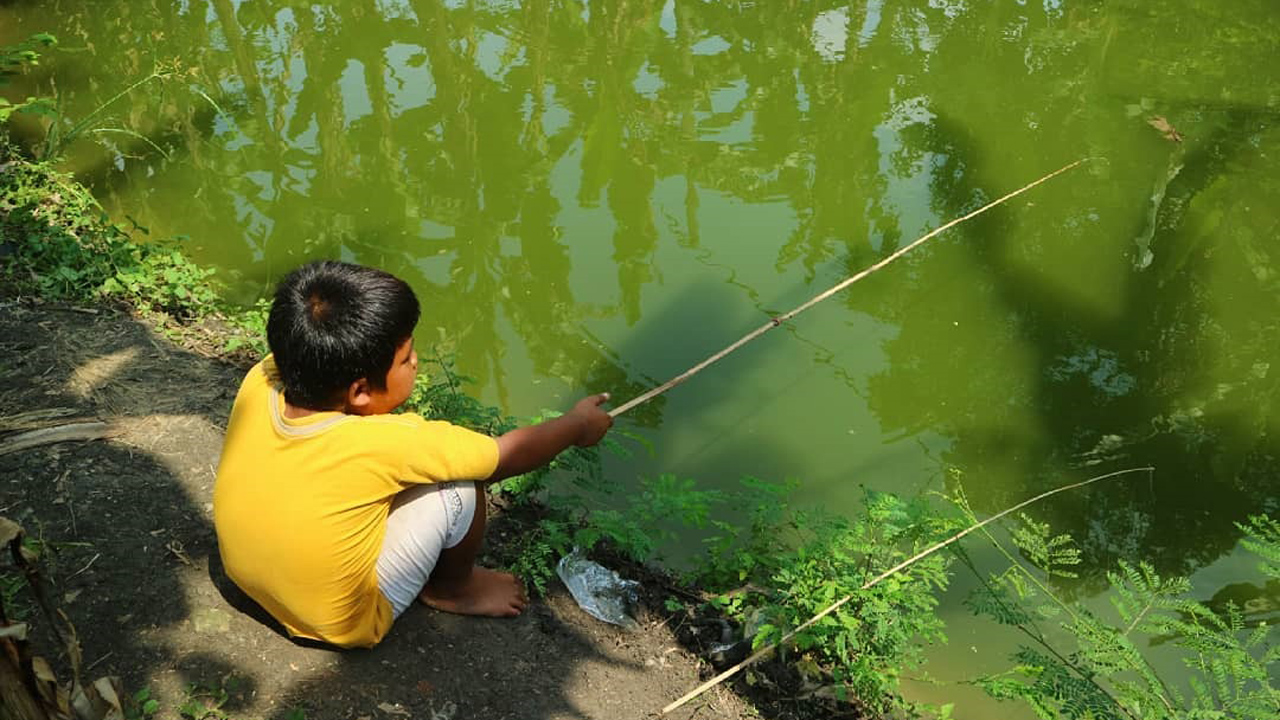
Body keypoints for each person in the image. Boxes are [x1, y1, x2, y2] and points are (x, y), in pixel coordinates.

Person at [213, 260, 612, 648]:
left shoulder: (262, 379)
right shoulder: (393, 443)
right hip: (337, 620)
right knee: (459, 487)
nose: (416, 360)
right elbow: (501, 457)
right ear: (360, 392)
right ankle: (455, 589)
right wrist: (576, 426)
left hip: (243, 575)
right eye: (406, 358)